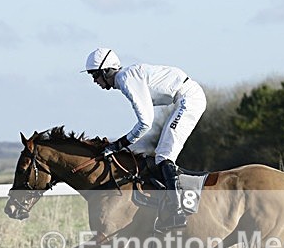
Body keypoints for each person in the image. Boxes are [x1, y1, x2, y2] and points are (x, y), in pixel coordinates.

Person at [83, 48, 206, 231]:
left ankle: (177, 213)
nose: (94, 81)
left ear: (106, 71)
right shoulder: (126, 77)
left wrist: (119, 144)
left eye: (95, 75)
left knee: (164, 157)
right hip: (185, 98)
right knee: (161, 156)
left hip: (189, 99)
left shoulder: (125, 79)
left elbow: (145, 123)